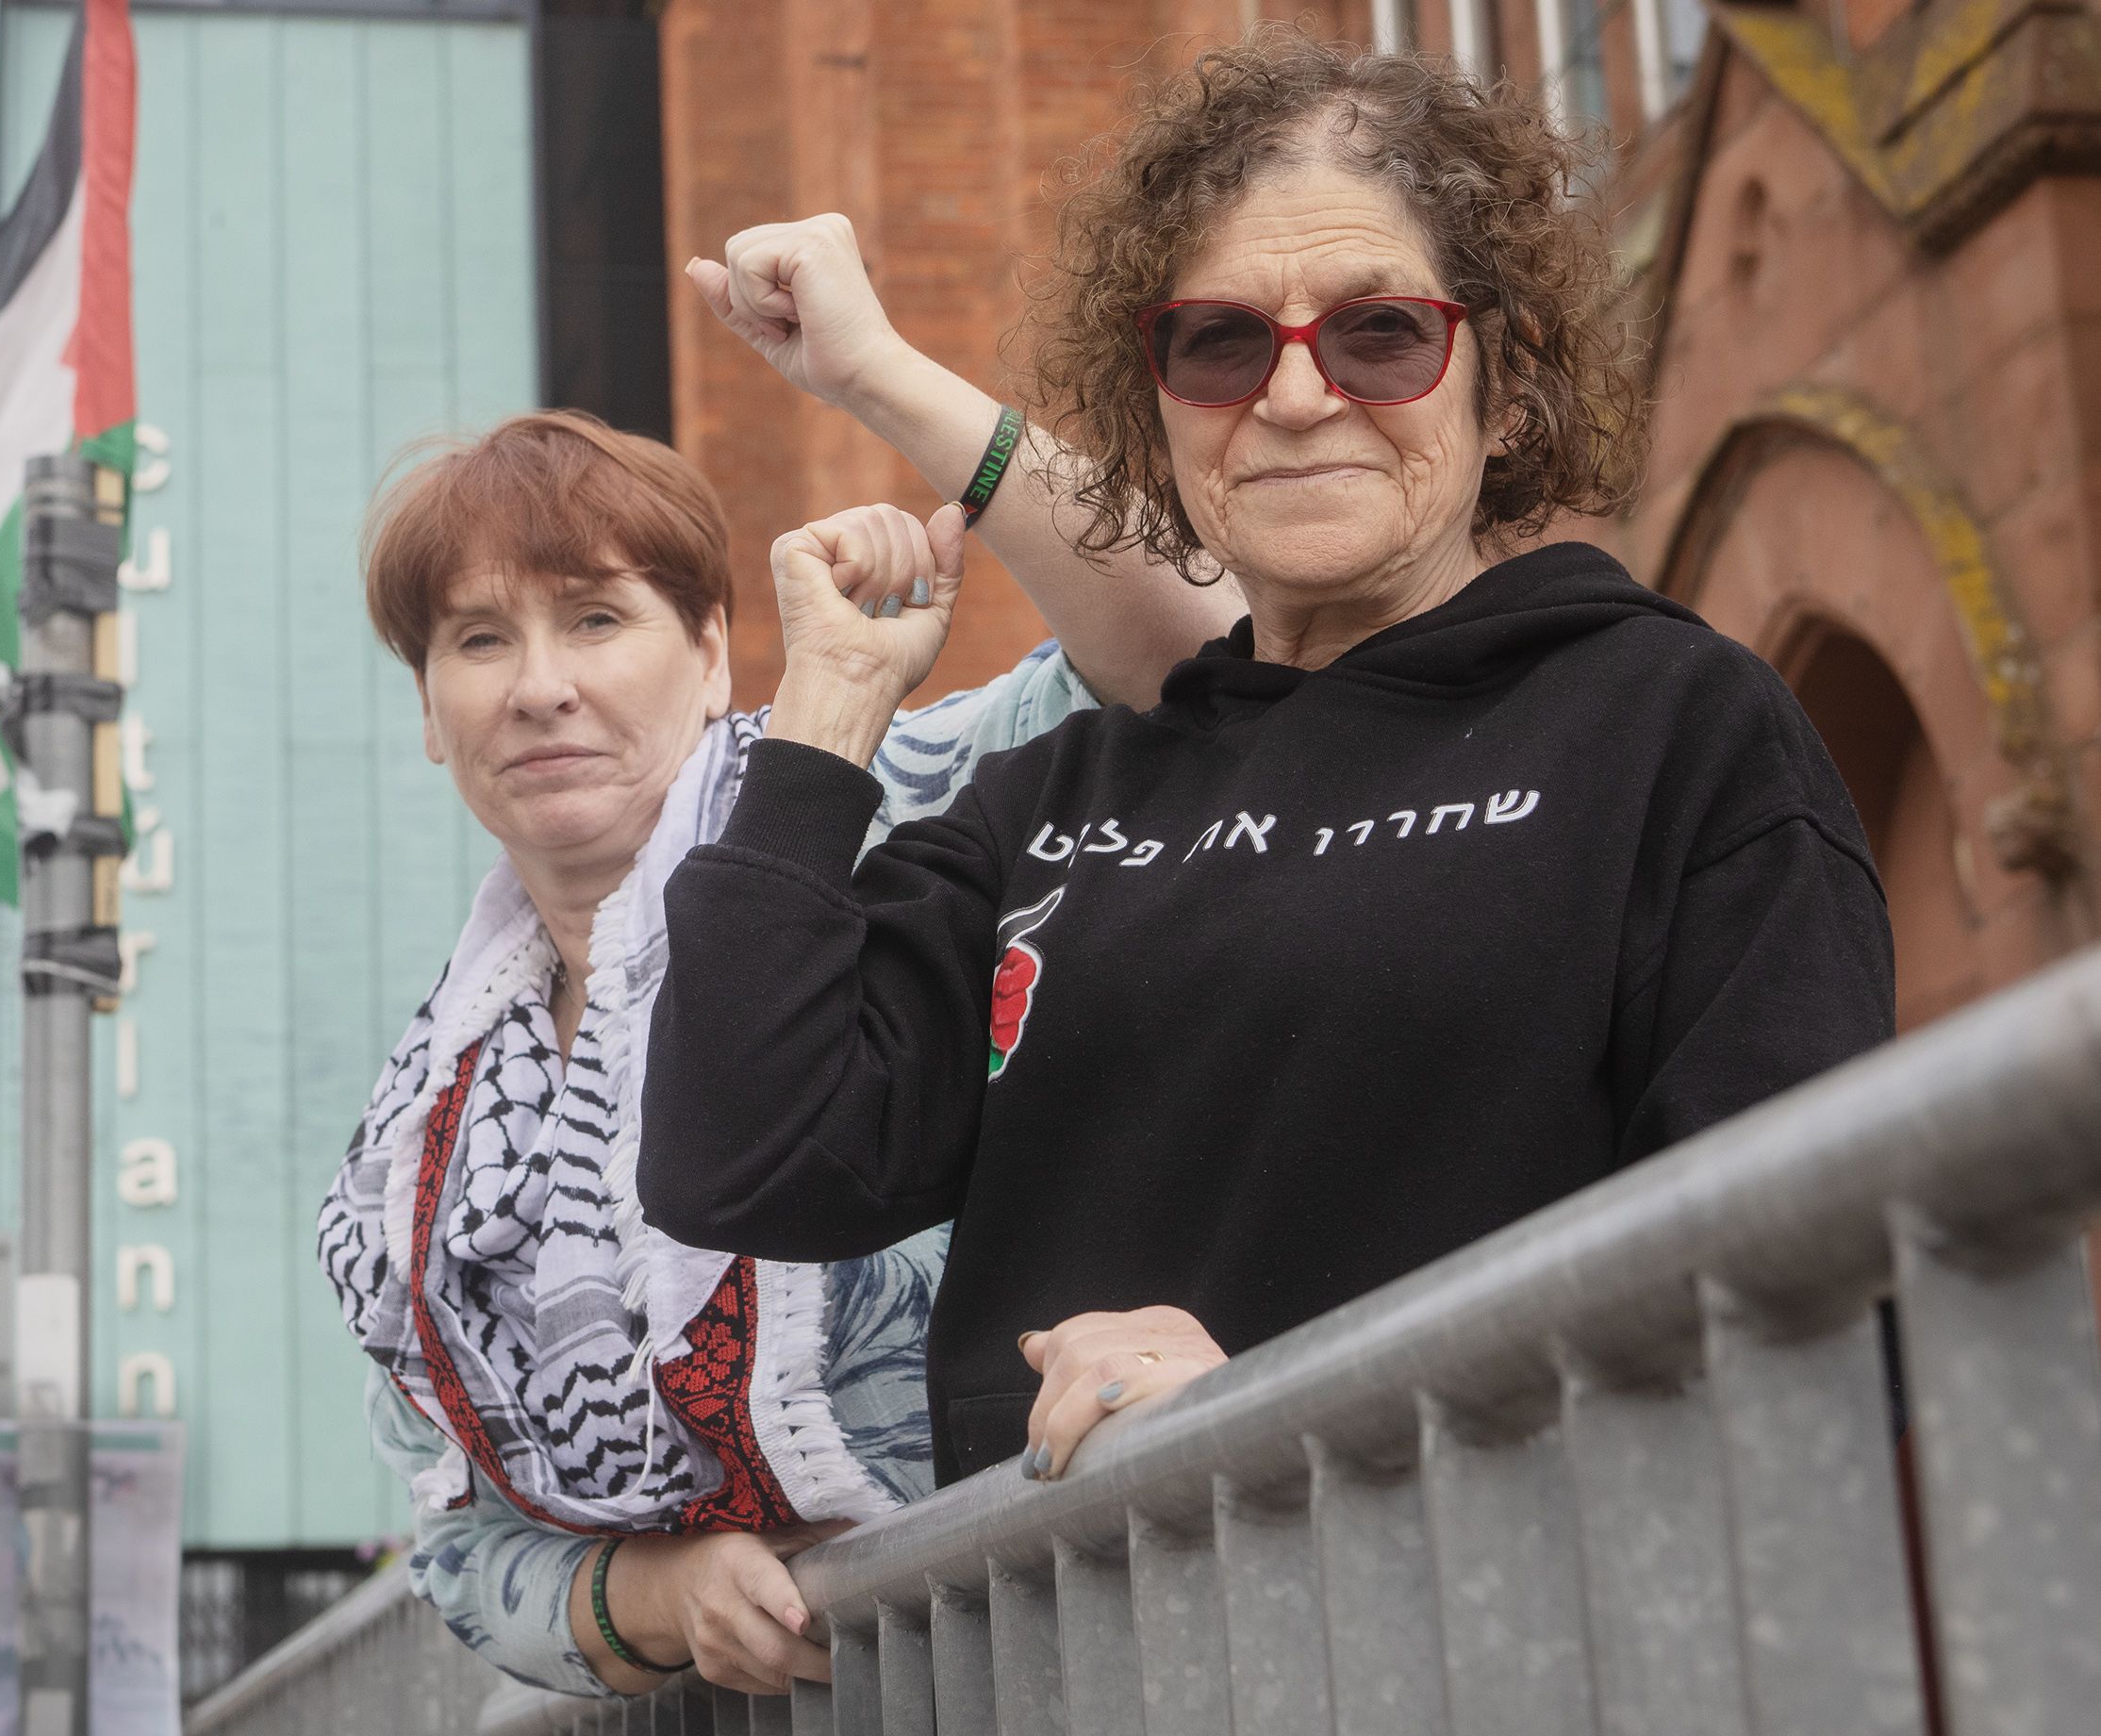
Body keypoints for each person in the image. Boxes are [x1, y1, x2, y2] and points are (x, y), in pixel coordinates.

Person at [638, 34, 1895, 1491]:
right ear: (1156, 403)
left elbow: (1802, 1290)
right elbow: (743, 1157)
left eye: (1380, 333)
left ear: (1512, 388)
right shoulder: (1058, 801)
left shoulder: (1675, 730)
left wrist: (1297, 1420)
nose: (1296, 398)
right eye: (1223, 343)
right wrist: (829, 716)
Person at [312, 409, 1217, 1698]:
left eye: (596, 619)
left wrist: (878, 379)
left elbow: (1179, 650)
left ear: (712, 652)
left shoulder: (890, 797)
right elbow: (457, 1546)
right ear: (430, 711)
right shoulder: (431, 1132)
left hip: (1094, 1633)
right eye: (478, 639)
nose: (538, 685)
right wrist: (662, 1596)